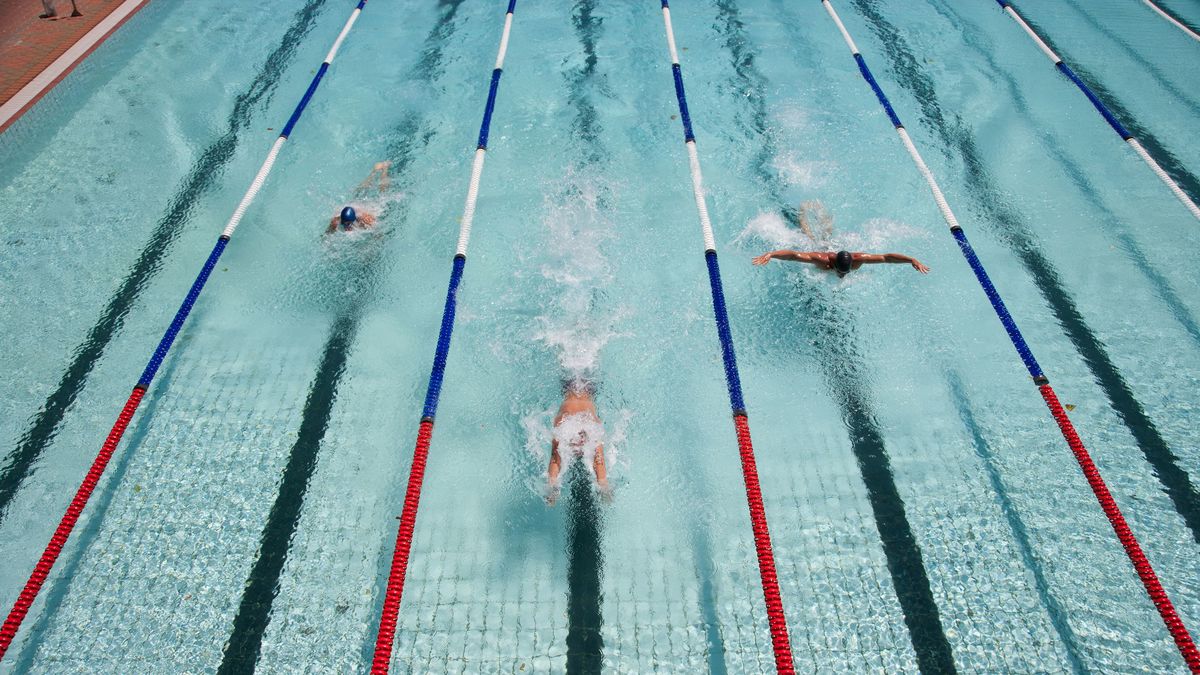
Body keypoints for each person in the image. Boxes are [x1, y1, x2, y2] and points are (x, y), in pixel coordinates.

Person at [547, 379, 611, 505]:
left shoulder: (562, 423)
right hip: (577, 388)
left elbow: (556, 457)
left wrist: (552, 485)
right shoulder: (590, 425)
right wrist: (603, 485)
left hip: (585, 388)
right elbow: (599, 460)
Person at [752, 249, 930, 277]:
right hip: (823, 251)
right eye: (840, 272)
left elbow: (886, 258)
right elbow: (794, 255)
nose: (842, 275)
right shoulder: (821, 260)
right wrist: (772, 254)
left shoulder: (858, 259)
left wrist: (910, 260)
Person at [326, 161, 390, 234]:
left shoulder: (366, 220)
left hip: (368, 208)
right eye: (345, 224)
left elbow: (379, 232)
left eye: (349, 224)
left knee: (383, 194)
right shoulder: (336, 221)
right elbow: (327, 234)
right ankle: (374, 171)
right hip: (355, 205)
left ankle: (385, 169)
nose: (347, 228)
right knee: (360, 190)